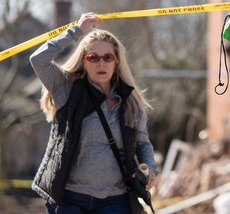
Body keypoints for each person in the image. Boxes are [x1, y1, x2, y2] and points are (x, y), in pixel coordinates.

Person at [30, 12, 158, 214]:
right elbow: (38, 60)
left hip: (115, 201)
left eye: (108, 57)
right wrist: (75, 32)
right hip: (70, 200)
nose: (101, 63)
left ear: (116, 62)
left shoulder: (129, 102)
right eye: (93, 57)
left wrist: (150, 167)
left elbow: (143, 143)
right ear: (84, 60)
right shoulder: (67, 89)